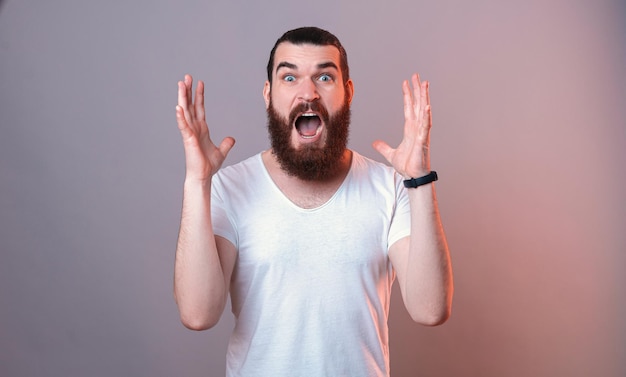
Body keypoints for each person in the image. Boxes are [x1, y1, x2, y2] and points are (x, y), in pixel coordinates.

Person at [173, 26, 453, 377]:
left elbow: (430, 309)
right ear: (268, 94)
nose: (308, 93)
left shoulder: (391, 187)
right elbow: (198, 314)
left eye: (324, 76)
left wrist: (420, 178)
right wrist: (197, 182)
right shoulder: (229, 189)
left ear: (347, 92)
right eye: (289, 77)